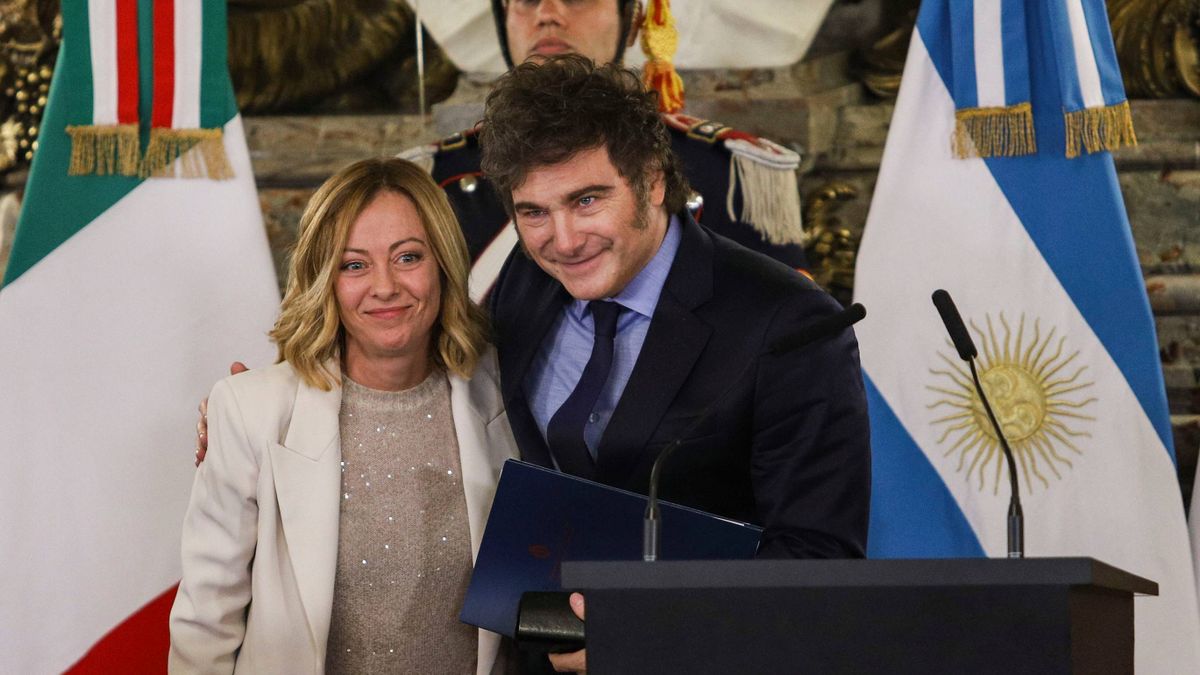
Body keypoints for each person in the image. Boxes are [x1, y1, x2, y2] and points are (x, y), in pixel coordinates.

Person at [480, 55, 870, 671]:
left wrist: (639, 636)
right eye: (534, 212)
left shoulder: (791, 324)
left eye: (586, 200)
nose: (562, 239)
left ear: (654, 180)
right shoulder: (523, 284)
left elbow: (818, 556)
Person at [169, 158, 518, 673]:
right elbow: (206, 623)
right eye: (354, 265)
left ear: (443, 264)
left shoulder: (507, 396)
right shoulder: (251, 412)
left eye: (408, 257)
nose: (384, 286)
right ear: (323, 280)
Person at [401, 0, 810, 301]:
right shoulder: (433, 178)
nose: (548, 13)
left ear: (631, 21)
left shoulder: (730, 174)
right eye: (525, 0)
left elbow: (779, 347)